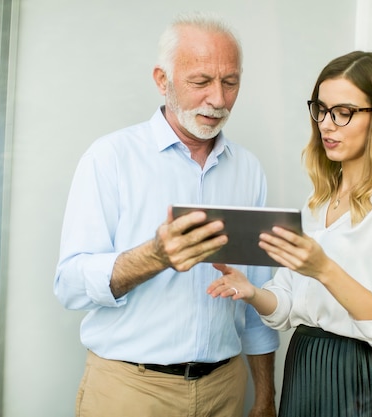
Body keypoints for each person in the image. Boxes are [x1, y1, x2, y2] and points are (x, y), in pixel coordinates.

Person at [54, 11, 279, 417]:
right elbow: (69, 285)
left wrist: (265, 396)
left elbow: (255, 298)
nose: (218, 99)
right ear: (163, 80)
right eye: (200, 82)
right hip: (130, 392)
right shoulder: (110, 159)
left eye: (231, 83)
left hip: (225, 390)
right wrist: (154, 256)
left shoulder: (249, 170)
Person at [208, 51, 372, 416]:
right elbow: (287, 307)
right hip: (304, 365)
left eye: (343, 112)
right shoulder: (317, 204)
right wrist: (251, 292)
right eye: (321, 109)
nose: (326, 125)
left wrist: (324, 269)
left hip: (358, 375)